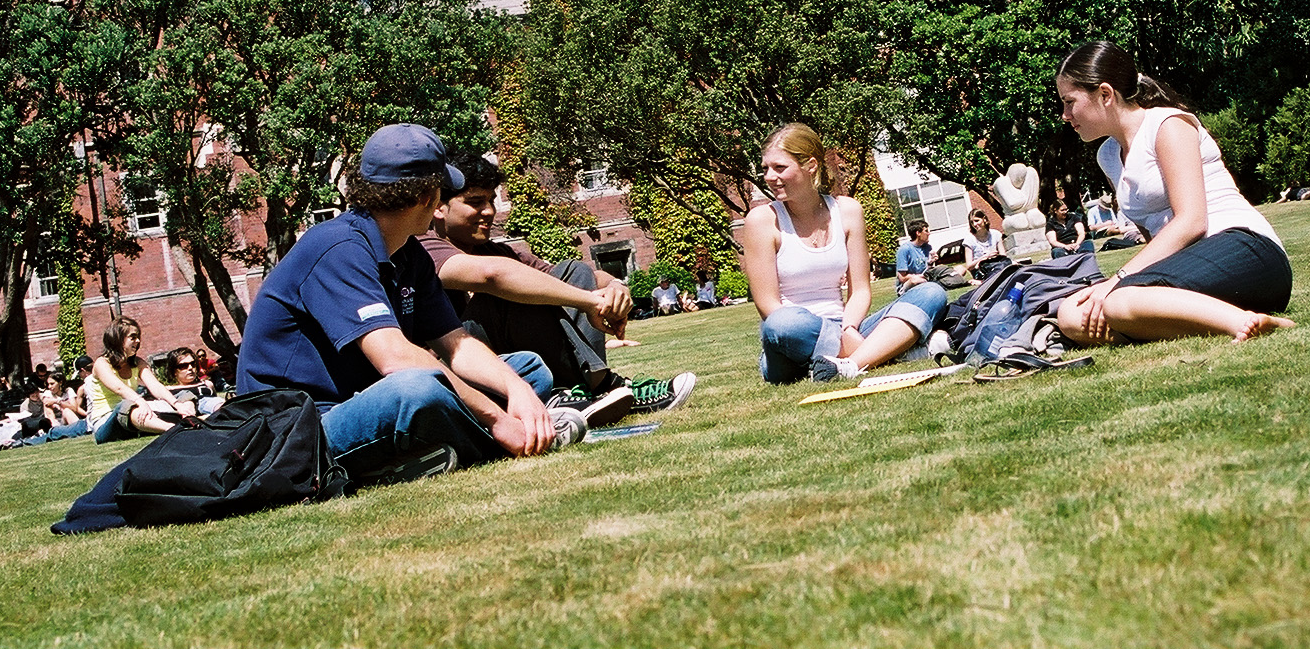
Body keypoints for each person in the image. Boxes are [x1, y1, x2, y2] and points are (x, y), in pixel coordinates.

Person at [236, 123, 588, 488]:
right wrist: (496, 419)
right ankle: (509, 436)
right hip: (298, 426)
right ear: (426, 196)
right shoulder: (338, 247)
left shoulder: (409, 252)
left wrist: (517, 391)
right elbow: (395, 359)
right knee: (417, 390)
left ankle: (419, 455)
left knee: (527, 370)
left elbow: (456, 345)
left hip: (365, 397)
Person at [418, 156, 696, 424]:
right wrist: (589, 302)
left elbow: (571, 277)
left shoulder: (494, 251)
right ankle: (602, 385)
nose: (489, 211)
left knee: (575, 270)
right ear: (439, 207)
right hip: (456, 367)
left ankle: (579, 393)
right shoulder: (422, 248)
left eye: (492, 200)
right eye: (475, 202)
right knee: (506, 290)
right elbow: (493, 276)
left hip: (508, 359)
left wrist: (615, 286)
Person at [1053, 41, 1294, 345]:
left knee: (1117, 301)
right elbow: (1155, 238)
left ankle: (1243, 322)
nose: (1064, 114)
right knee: (1072, 314)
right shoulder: (1108, 155)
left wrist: (1118, 280)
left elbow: (1193, 221)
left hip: (1248, 251)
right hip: (1195, 266)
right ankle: (1201, 316)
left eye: (1069, 102)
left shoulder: (1167, 125)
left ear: (1105, 94)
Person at [744, 123, 949, 383]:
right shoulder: (761, 220)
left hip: (846, 324)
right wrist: (844, 336)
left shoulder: (848, 210)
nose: (769, 177)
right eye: (765, 169)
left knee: (931, 293)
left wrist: (850, 327)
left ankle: (849, 363)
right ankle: (885, 352)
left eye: (779, 168)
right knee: (782, 324)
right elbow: (768, 305)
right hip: (792, 338)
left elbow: (861, 290)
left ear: (810, 165)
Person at [86, 316, 182, 443]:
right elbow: (119, 388)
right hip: (106, 422)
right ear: (118, 339)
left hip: (133, 415)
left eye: (138, 337)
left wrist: (177, 404)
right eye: (133, 337)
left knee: (182, 396)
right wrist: (140, 401)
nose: (137, 341)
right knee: (126, 405)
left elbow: (156, 386)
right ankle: (173, 429)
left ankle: (191, 419)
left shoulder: (138, 363)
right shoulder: (101, 363)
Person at [895, 221, 931, 294]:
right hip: (909, 284)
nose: (929, 233)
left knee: (959, 269)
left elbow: (928, 269)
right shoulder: (904, 249)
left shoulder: (927, 247)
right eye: (926, 231)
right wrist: (919, 277)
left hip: (925, 280)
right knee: (915, 280)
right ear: (918, 233)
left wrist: (932, 261)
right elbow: (902, 278)